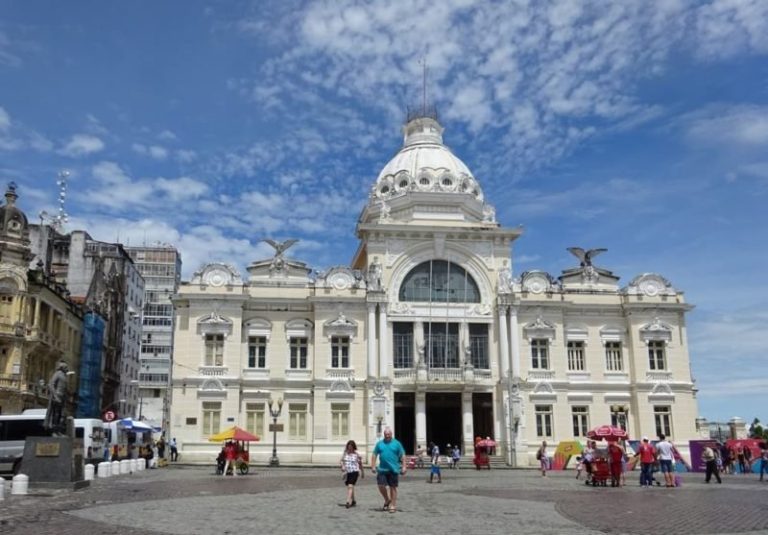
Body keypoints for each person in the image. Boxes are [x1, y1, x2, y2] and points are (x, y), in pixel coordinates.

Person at [370, 427, 406, 514]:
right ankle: (387, 499)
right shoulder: (380, 444)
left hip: (393, 469)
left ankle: (393, 505)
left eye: (388, 435)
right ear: (384, 435)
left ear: (391, 434)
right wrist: (373, 465)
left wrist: (404, 466)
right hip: (382, 469)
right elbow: (374, 454)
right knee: (381, 485)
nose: (387, 436)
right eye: (386, 435)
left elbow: (403, 455)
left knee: (392, 487)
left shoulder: (397, 444)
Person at [44, 361, 69, 436]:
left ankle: (58, 430)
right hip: (57, 396)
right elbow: (51, 384)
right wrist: (55, 396)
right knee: (56, 414)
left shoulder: (64, 376)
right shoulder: (57, 374)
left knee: (62, 415)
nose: (67, 369)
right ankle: (53, 431)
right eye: (66, 367)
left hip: (62, 397)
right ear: (62, 368)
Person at [340, 440, 364, 508]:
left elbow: (360, 464)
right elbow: (342, 461)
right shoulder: (345, 454)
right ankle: (353, 500)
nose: (350, 448)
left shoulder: (357, 455)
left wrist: (362, 472)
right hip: (348, 472)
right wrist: (342, 467)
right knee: (350, 486)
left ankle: (348, 501)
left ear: (354, 447)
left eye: (351, 447)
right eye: (348, 447)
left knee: (350, 486)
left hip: (355, 472)